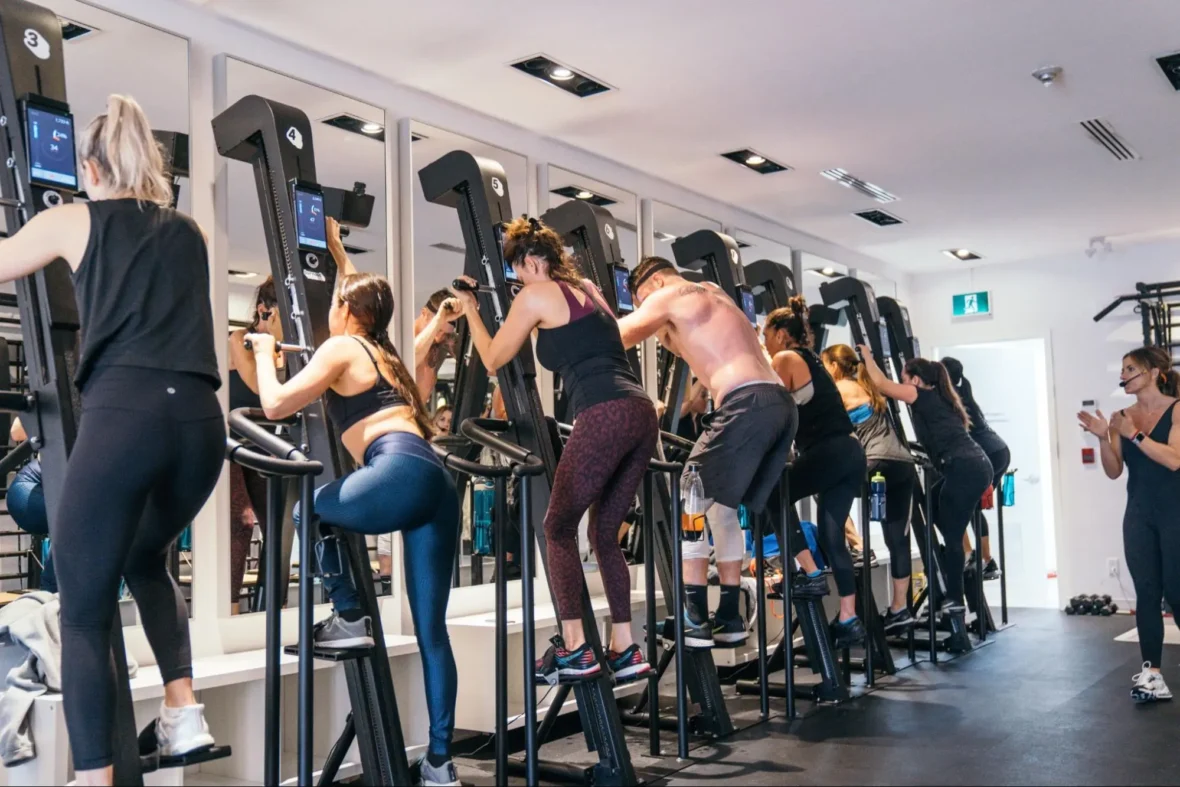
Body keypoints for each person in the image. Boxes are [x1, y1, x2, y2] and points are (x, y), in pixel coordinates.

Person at [0, 95, 224, 785]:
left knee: (83, 614)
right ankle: (183, 710)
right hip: (199, 427)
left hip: (125, 417)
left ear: (92, 168)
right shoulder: (189, 232)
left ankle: (95, 780)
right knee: (143, 554)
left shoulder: (75, 218)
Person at [251, 247, 461, 783]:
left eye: (335, 303)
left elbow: (274, 405)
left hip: (398, 470)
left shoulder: (343, 346)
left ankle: (349, 615)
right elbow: (358, 287)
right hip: (435, 481)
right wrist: (337, 249)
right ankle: (440, 764)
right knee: (432, 632)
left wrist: (263, 351)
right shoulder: (386, 354)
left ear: (346, 310)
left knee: (309, 512)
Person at [452, 216, 656, 685]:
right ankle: (624, 647)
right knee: (604, 533)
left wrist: (470, 309)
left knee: (558, 527)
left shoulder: (535, 294)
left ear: (528, 262)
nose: (519, 279)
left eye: (517, 270)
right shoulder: (587, 288)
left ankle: (576, 647)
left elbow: (493, 358)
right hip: (641, 412)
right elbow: (590, 339)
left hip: (603, 412)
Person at [619, 256, 796, 650]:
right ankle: (730, 616)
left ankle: (694, 614)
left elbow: (619, 337)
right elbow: (695, 349)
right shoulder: (715, 294)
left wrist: (570, 317)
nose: (644, 306)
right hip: (779, 405)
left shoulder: (667, 294)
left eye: (640, 299)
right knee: (722, 509)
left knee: (691, 491)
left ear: (655, 281)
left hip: (744, 402)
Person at [860, 348, 990, 640]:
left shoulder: (921, 395)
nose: (903, 384)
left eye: (905, 379)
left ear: (916, 381)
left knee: (952, 535)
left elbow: (880, 384)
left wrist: (867, 355)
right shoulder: (940, 399)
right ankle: (950, 572)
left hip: (965, 468)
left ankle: (954, 599)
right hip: (971, 465)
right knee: (929, 507)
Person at [1078, 346, 1180, 703]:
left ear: (1153, 373)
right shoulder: (1121, 417)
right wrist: (1103, 437)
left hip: (1175, 513)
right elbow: (1113, 470)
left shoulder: (1177, 409)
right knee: (1147, 593)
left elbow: (1174, 459)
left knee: (1176, 593)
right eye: (1122, 370)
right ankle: (1152, 675)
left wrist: (1134, 433)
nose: (1123, 376)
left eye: (1130, 369)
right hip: (1139, 514)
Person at [763, 302, 866, 647]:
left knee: (773, 492)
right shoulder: (815, 362)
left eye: (766, 336)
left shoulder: (784, 359)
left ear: (780, 335)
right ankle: (849, 617)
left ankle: (810, 572)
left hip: (830, 451)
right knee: (832, 535)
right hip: (851, 453)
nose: (765, 344)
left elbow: (768, 410)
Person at [823, 344, 917, 632]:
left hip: (875, 462)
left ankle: (857, 547)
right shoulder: (868, 386)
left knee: (825, 491)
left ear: (834, 367)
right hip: (902, 464)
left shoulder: (839, 388)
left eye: (825, 365)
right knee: (897, 540)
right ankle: (899, 609)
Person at [226, 277, 282, 610]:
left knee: (281, 526)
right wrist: (270, 349)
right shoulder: (239, 340)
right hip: (229, 446)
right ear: (265, 311)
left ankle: (273, 608)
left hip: (263, 446)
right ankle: (229, 610)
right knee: (241, 522)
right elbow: (263, 391)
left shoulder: (282, 351)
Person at [941, 357, 1010, 581]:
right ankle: (984, 560)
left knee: (960, 504)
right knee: (972, 506)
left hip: (989, 454)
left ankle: (973, 556)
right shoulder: (963, 388)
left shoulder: (953, 398)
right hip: (998, 451)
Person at [6, 418, 55, 593]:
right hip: (32, 484)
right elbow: (16, 431)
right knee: (79, 521)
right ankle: (51, 592)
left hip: (66, 484)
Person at [413, 288, 463, 400]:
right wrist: (439, 319)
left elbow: (487, 366)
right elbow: (407, 362)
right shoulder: (400, 339)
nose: (440, 337)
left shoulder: (443, 341)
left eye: (445, 333)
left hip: (419, 409)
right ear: (424, 313)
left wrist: (470, 309)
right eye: (438, 329)